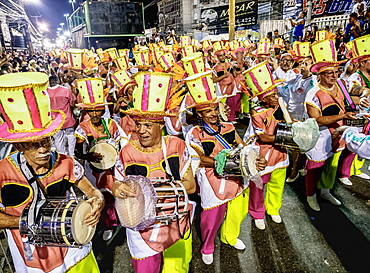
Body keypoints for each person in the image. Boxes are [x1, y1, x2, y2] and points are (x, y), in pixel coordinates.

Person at [0, 72, 103, 272]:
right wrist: (25, 222)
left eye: (46, 141)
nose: (43, 149)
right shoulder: (3, 171)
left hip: (73, 251)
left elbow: (92, 192)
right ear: (19, 146)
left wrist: (98, 202)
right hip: (33, 257)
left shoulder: (65, 162)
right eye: (34, 144)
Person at [112, 72, 197, 273]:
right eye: (138, 124)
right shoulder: (127, 151)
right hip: (141, 227)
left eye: (148, 125)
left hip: (175, 219)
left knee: (177, 268)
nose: (141, 130)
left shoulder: (177, 145)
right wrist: (117, 188)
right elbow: (116, 183)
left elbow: (191, 186)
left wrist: (151, 192)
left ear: (161, 125)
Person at [185, 71, 266, 263]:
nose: (213, 114)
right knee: (212, 216)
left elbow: (242, 146)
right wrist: (219, 162)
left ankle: (229, 236)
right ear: (199, 114)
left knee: (238, 209)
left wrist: (254, 158)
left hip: (237, 174)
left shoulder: (228, 126)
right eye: (207, 111)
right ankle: (207, 246)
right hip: (213, 179)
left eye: (215, 109)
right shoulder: (195, 133)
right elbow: (197, 158)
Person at [304, 39, 361, 211]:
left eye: (336, 72)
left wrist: (361, 100)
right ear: (320, 75)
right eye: (329, 73)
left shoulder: (341, 85)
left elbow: (351, 99)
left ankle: (326, 191)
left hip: (339, 134)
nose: (334, 75)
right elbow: (316, 119)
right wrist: (342, 115)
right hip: (320, 137)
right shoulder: (313, 94)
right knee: (314, 168)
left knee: (331, 166)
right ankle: (310, 195)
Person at [243, 61, 289, 230]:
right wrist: (287, 138)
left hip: (281, 152)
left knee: (278, 182)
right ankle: (257, 212)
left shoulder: (280, 105)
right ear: (263, 98)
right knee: (258, 185)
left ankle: (273, 208)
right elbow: (263, 136)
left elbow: (288, 121)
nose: (276, 97)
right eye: (273, 95)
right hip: (262, 153)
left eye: (276, 94)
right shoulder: (256, 111)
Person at [47, 75, 77, 156]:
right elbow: (72, 103)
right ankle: (72, 154)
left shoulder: (45, 92)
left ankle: (62, 155)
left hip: (54, 120)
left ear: (49, 82)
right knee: (71, 136)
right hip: (67, 118)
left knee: (58, 139)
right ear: (58, 81)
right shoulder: (65, 90)